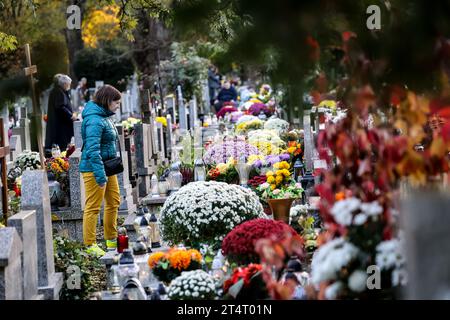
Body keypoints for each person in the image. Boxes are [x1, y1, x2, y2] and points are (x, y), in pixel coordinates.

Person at [79, 85, 122, 256]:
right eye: (116, 102)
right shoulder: (95, 120)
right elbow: (92, 150)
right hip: (94, 168)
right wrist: (99, 175)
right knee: (93, 206)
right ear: (107, 101)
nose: (118, 106)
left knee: (114, 201)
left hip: (107, 166)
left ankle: (111, 239)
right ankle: (90, 245)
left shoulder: (104, 116)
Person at [45, 74, 77, 153]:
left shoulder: (60, 91)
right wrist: (71, 115)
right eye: (69, 84)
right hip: (61, 126)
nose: (69, 86)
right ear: (65, 84)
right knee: (62, 147)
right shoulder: (59, 92)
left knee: (63, 147)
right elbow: (60, 107)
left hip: (61, 124)